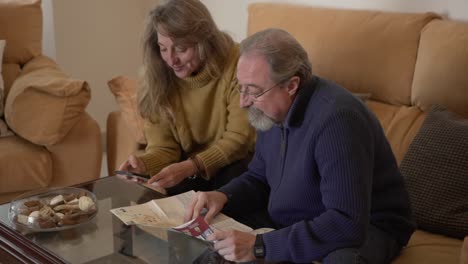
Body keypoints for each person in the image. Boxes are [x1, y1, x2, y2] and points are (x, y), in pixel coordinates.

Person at [185, 28, 415, 263]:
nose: (244, 102)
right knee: (212, 247)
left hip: (367, 225)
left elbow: (346, 222)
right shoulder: (269, 111)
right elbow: (259, 178)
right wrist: (223, 195)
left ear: (291, 85)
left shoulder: (338, 120)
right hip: (298, 216)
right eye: (240, 88)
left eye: (253, 91)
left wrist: (261, 246)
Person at [118, 0, 255, 195]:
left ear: (205, 40)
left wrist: (193, 166)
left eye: (181, 49)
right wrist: (143, 164)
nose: (171, 60)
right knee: (149, 204)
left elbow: (240, 139)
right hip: (188, 168)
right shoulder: (157, 75)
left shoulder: (239, 62)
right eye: (163, 48)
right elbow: (164, 147)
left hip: (234, 164)